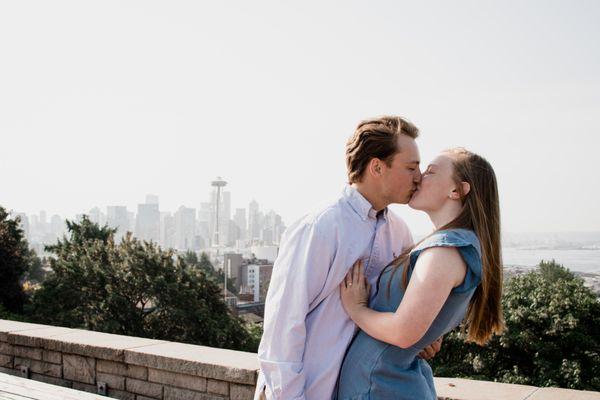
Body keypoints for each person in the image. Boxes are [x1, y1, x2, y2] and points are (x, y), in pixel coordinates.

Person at [255, 116, 443, 400]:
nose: (419, 177)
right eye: (411, 167)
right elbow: (283, 327)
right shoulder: (320, 227)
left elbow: (401, 311)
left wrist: (423, 337)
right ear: (377, 167)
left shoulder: (399, 233)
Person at [337, 148, 505, 400]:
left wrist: (357, 308)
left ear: (457, 191)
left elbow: (403, 333)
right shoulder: (445, 246)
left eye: (431, 172)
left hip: (384, 389)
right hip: (382, 386)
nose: (419, 177)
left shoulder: (446, 251)